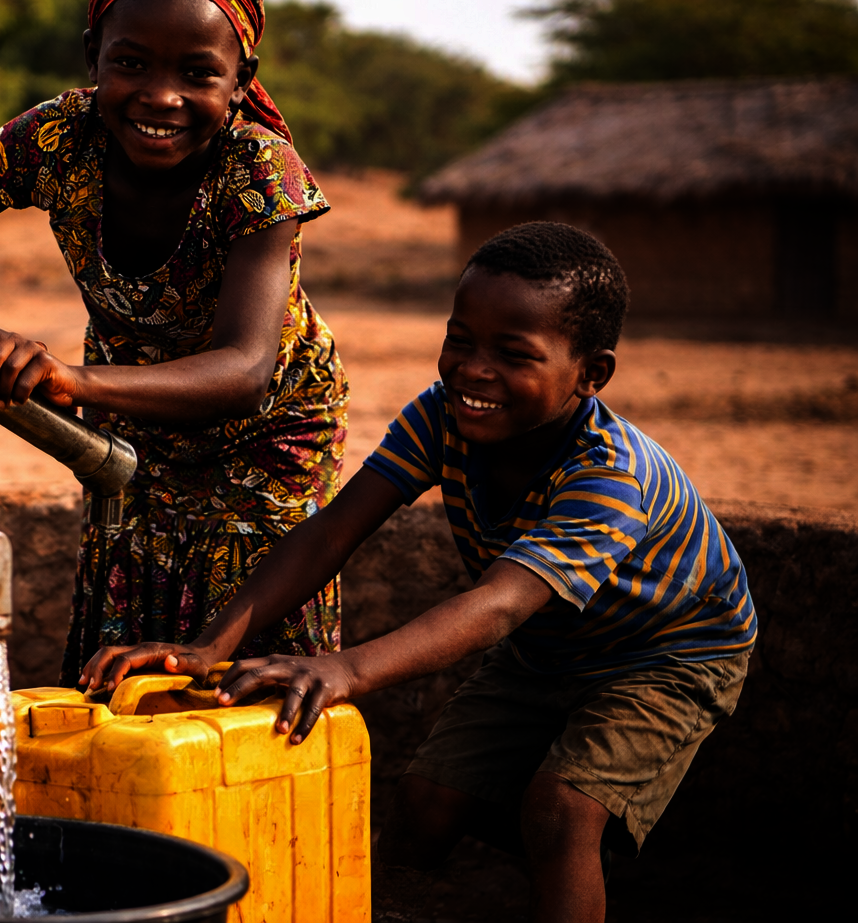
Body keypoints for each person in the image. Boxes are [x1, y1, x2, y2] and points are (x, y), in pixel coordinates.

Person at [81, 223, 757, 923]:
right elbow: (334, 530)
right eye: (459, 340)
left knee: (560, 812)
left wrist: (345, 669)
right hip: (548, 646)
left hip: (665, 654)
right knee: (426, 799)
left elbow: (498, 605)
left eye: (513, 354)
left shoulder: (609, 477)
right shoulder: (443, 417)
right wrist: (210, 645)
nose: (474, 370)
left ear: (591, 375)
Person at [0, 0, 348, 685]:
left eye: (198, 73)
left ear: (240, 76)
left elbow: (246, 370)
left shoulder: (259, 167)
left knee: (240, 667)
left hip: (265, 435)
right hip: (132, 411)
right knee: (126, 630)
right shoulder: (59, 136)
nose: (161, 97)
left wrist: (72, 382)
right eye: (131, 64)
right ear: (93, 54)